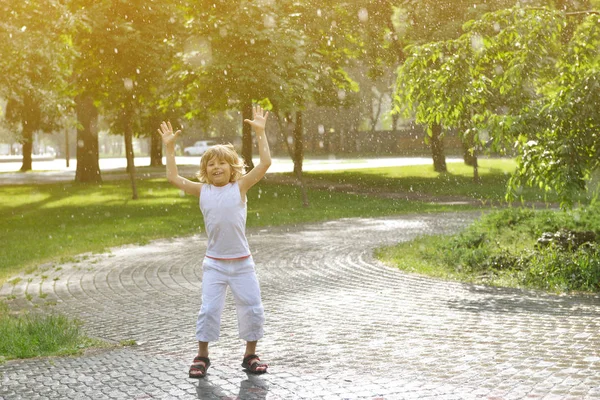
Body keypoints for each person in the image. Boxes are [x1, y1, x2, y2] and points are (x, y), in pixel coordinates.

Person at [157, 105, 271, 378]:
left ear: (233, 169)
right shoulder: (202, 191)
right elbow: (172, 177)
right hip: (215, 265)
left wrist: (260, 132)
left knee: (252, 308)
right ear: (205, 171)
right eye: (211, 163)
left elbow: (265, 163)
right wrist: (170, 148)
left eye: (222, 163)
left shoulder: (240, 187)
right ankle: (202, 356)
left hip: (243, 263)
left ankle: (250, 354)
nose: (216, 166)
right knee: (208, 310)